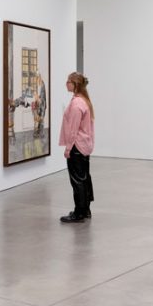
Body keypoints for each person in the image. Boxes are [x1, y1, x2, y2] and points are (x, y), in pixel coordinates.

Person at [59, 72, 95, 223]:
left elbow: (73, 129)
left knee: (77, 180)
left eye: (69, 81)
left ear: (75, 84)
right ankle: (85, 209)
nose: (66, 83)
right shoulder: (84, 101)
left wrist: (68, 149)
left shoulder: (76, 104)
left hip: (77, 146)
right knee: (84, 177)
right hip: (84, 145)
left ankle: (78, 213)